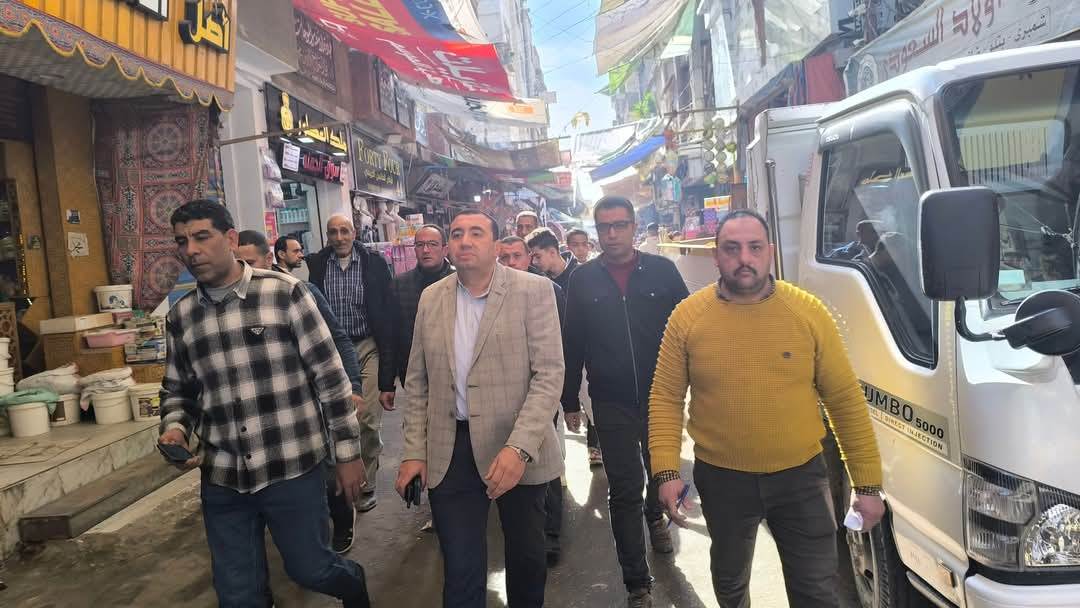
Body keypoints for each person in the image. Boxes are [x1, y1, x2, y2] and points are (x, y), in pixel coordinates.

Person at [649, 209, 885, 608]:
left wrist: (867, 484)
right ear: (715, 256)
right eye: (732, 248)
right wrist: (666, 471)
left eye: (754, 247)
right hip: (722, 479)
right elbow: (666, 397)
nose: (744, 258)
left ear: (770, 253)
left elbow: (844, 399)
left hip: (801, 480)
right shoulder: (687, 317)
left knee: (817, 592)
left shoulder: (808, 312)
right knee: (730, 582)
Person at [158, 200, 370, 608]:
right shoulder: (181, 317)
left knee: (312, 570)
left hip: (291, 467)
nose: (191, 250)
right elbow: (178, 390)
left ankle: (353, 584)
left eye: (202, 237)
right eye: (182, 242)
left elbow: (330, 379)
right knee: (237, 595)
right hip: (223, 476)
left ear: (230, 239)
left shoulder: (285, 294)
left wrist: (348, 455)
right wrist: (175, 428)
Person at [397, 209, 565, 608]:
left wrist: (519, 448)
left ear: (496, 245)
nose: (465, 241)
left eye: (476, 233)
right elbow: (418, 381)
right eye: (457, 234)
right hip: (450, 448)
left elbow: (548, 375)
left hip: (516, 445)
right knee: (460, 568)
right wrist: (414, 451)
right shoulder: (432, 298)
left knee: (527, 560)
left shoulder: (533, 291)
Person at [562, 196, 690, 608]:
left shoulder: (662, 271)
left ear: (635, 227)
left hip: (662, 399)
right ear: (596, 232)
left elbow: (689, 327)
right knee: (623, 489)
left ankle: (655, 516)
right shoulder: (582, 280)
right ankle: (637, 583)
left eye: (620, 225)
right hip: (610, 400)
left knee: (660, 472)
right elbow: (572, 342)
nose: (612, 233)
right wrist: (569, 399)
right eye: (604, 227)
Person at [237, 230, 366, 553]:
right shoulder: (226, 305)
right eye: (238, 262)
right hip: (264, 413)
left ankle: (342, 520)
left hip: (309, 403)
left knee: (326, 471)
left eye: (250, 262)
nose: (243, 270)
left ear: (269, 259)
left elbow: (338, 339)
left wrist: (352, 385)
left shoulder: (299, 292)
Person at [307, 215, 396, 514]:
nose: (339, 237)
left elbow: (387, 311)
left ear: (354, 233)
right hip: (331, 351)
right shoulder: (318, 264)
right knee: (334, 419)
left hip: (367, 345)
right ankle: (342, 481)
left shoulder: (374, 263)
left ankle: (366, 483)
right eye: (333, 232)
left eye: (344, 231)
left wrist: (389, 373)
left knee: (365, 417)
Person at [526, 227, 603, 468]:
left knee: (597, 412)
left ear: (552, 251)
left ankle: (600, 448)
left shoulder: (583, 276)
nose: (534, 262)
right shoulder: (538, 282)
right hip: (553, 360)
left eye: (537, 256)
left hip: (586, 359)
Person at [389, 224, 455, 388]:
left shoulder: (459, 281)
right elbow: (392, 335)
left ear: (445, 250)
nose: (426, 250)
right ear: (414, 250)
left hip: (454, 370)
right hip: (414, 373)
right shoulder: (400, 284)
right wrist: (387, 382)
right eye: (420, 245)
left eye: (432, 244)